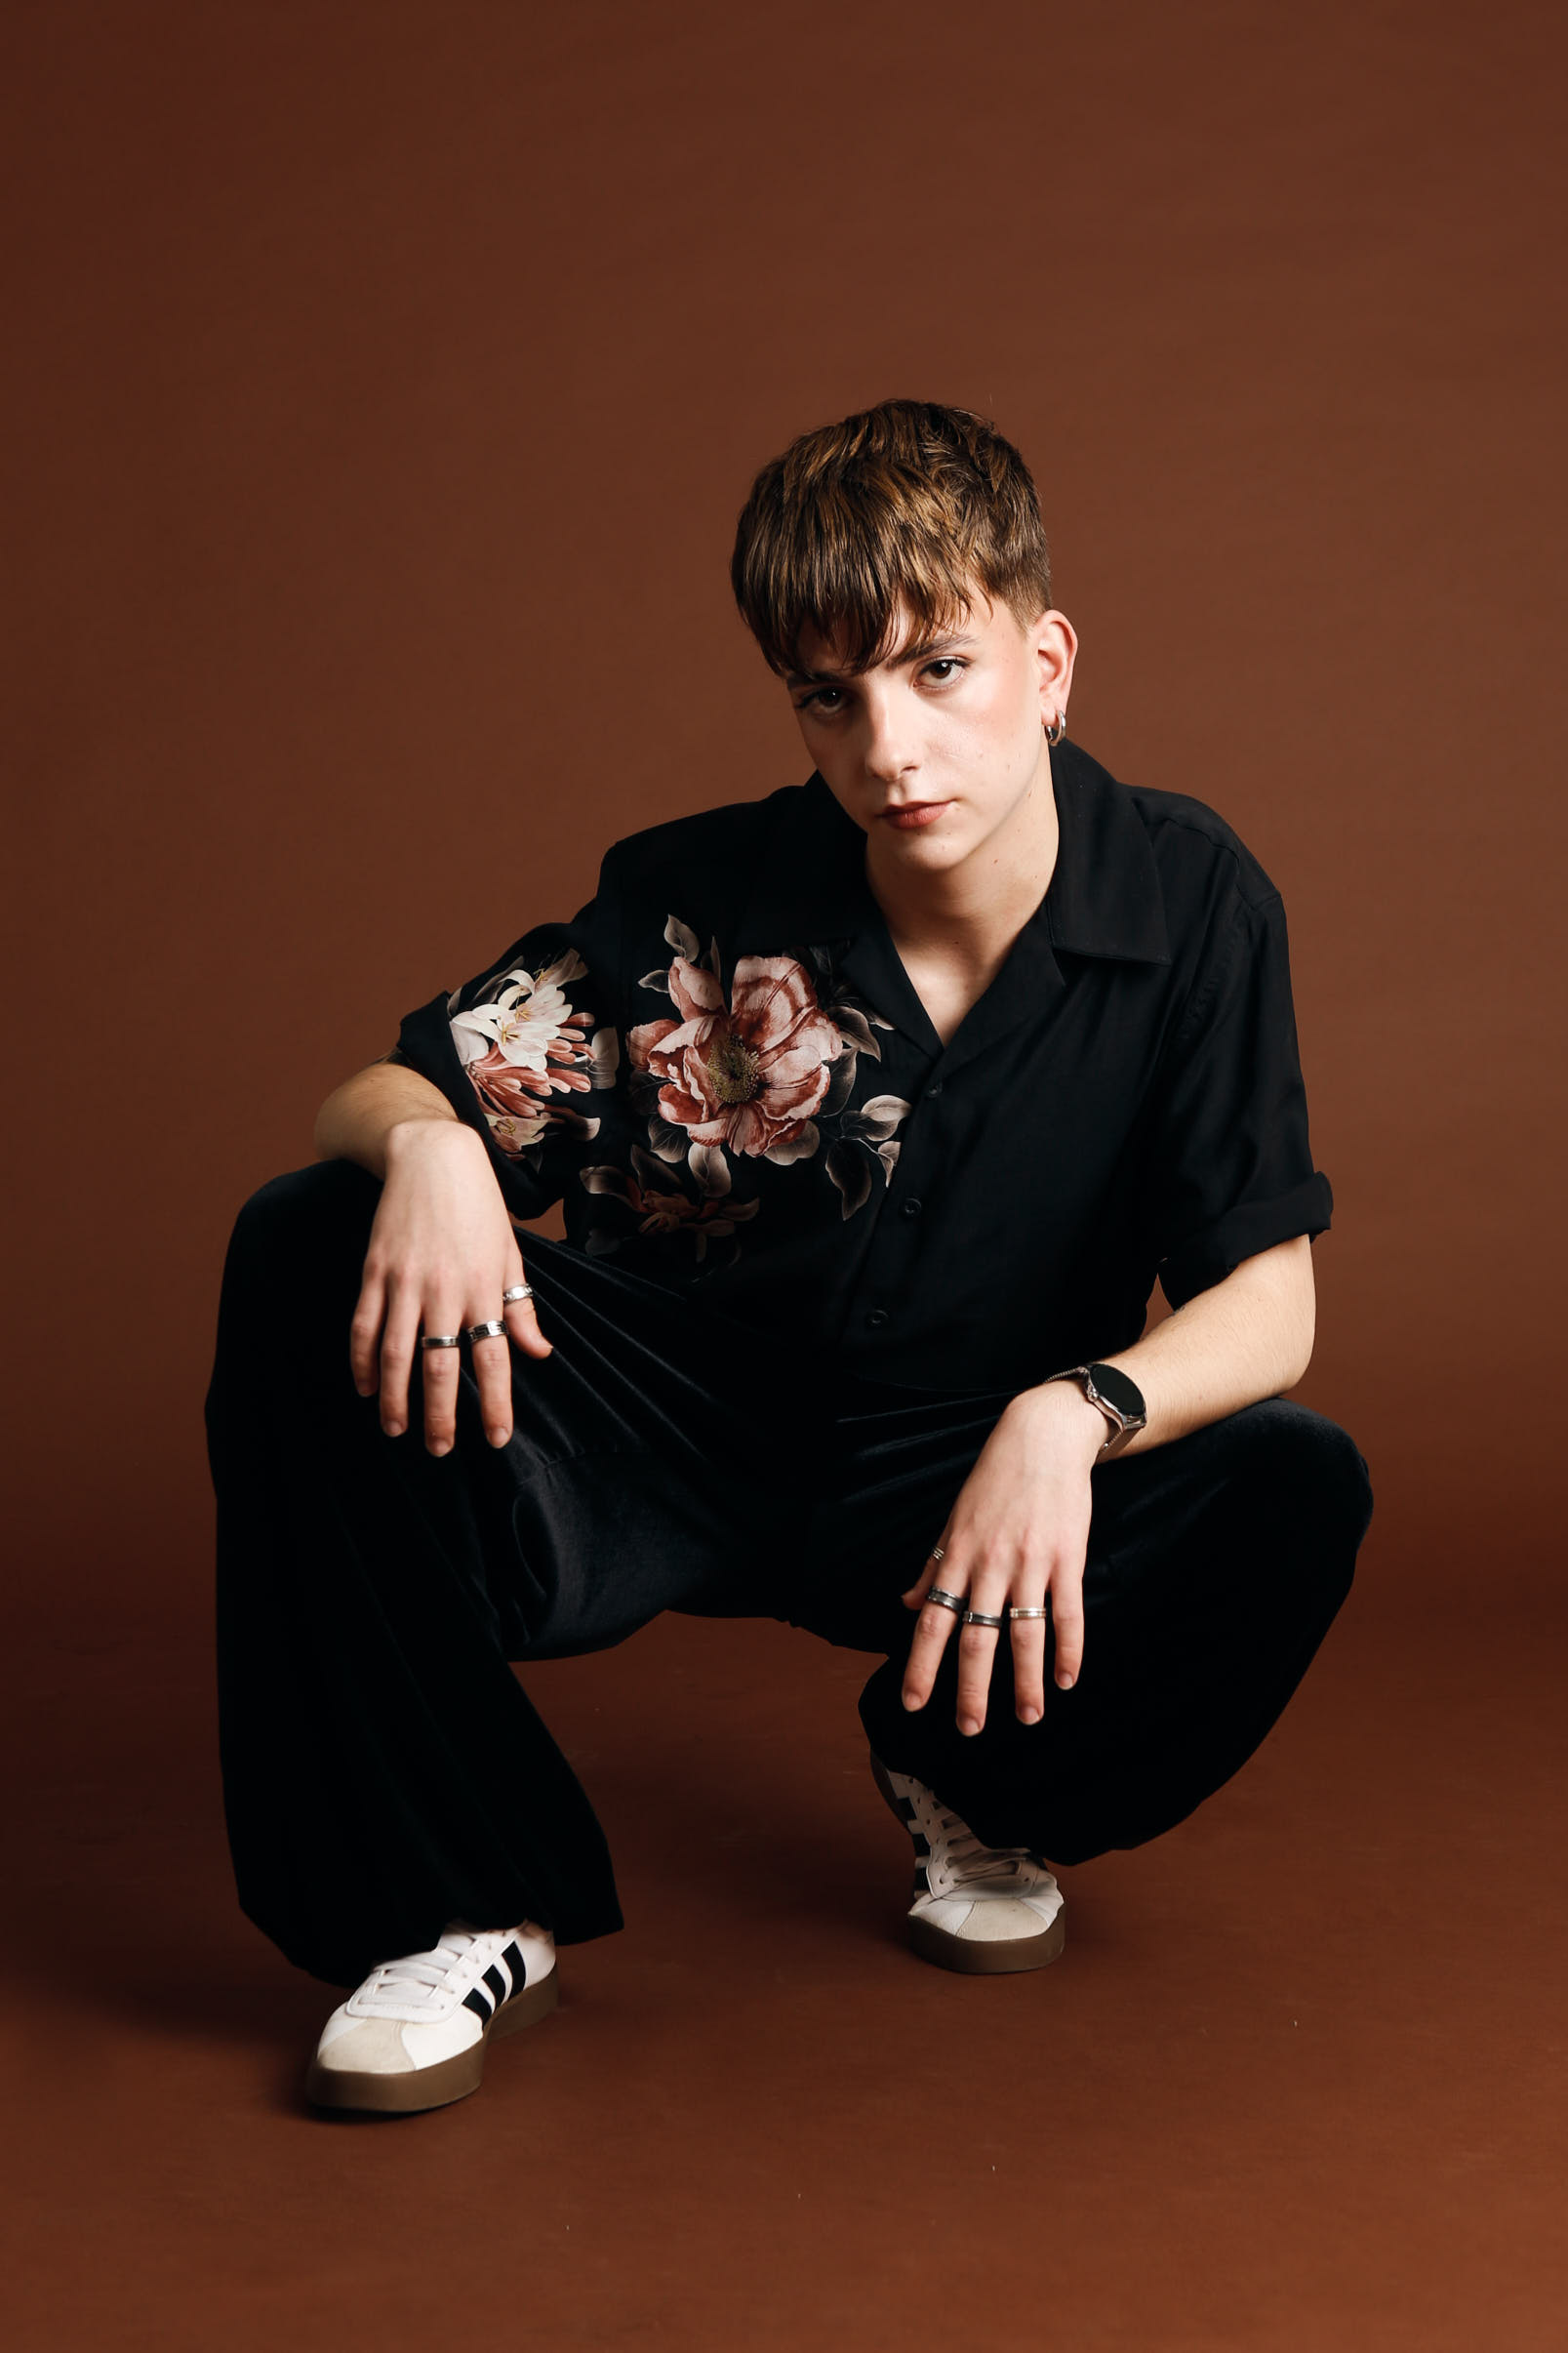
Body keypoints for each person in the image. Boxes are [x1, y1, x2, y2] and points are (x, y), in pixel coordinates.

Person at [205, 397, 1374, 2117]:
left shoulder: (1192, 900)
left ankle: (967, 1769)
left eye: (939, 672)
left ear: (1049, 663)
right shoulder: (707, 892)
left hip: (961, 1474)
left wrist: (1072, 1416)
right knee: (308, 1235)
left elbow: (1271, 1295)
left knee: (1294, 1483)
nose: (890, 747)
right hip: (659, 1429)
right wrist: (435, 1143)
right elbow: (382, 1087)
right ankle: (460, 1901)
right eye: (833, 696)